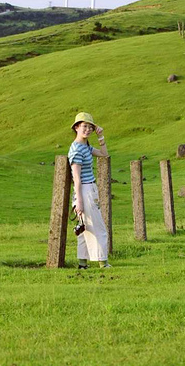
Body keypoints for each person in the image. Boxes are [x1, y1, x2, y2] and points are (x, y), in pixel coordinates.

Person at [68, 112, 111, 270]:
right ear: (77, 127)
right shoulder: (76, 150)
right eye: (84, 126)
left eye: (90, 127)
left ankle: (82, 263)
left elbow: (104, 154)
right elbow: (76, 178)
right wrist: (79, 200)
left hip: (88, 188)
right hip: (84, 190)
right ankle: (103, 262)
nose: (87, 129)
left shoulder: (85, 146)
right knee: (98, 227)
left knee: (84, 226)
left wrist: (101, 137)